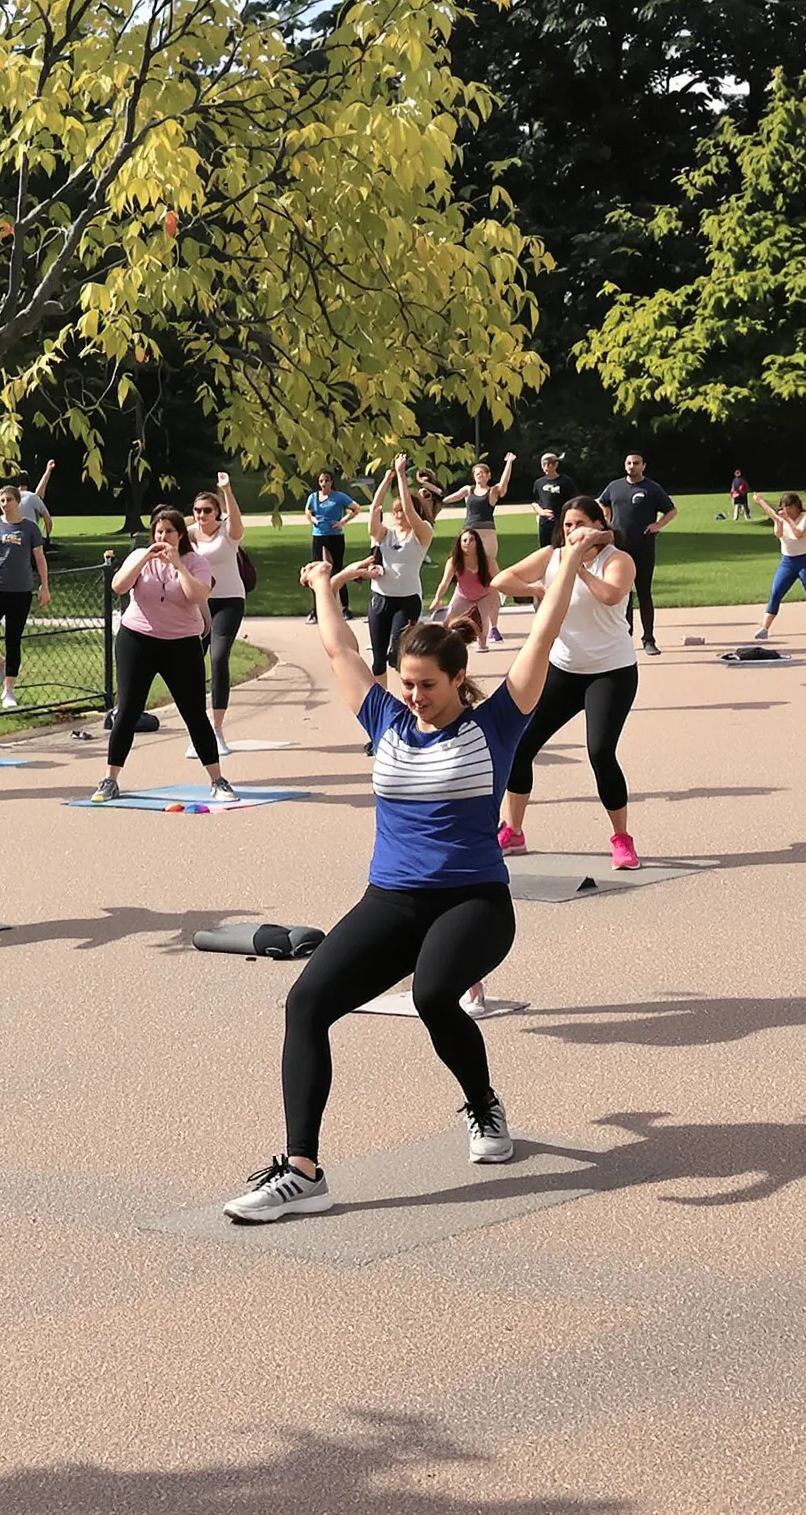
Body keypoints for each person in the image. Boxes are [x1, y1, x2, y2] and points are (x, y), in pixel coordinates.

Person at [221, 522, 608, 1223]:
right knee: (307, 1003)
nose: (415, 696)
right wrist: (322, 589)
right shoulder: (387, 722)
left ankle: (484, 1107)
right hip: (392, 901)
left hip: (475, 902)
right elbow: (338, 648)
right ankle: (303, 1170)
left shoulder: (496, 724)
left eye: (428, 685)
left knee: (435, 995)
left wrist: (572, 560)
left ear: (459, 678)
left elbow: (542, 639)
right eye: (407, 684)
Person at [491, 496, 643, 868]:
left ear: (598, 525)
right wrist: (538, 589)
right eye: (567, 525)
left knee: (600, 752)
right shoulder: (551, 556)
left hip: (611, 671)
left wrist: (578, 568)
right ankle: (514, 831)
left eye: (580, 524)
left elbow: (611, 596)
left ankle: (621, 839)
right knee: (520, 745)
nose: (572, 532)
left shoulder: (617, 560)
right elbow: (501, 580)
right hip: (563, 669)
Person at [94, 506, 237, 803]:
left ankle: (217, 779)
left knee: (194, 713)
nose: (162, 537)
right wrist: (143, 559)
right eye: (158, 532)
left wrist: (178, 566)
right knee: (128, 710)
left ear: (180, 535)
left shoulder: (195, 562)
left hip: (181, 643)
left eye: (169, 532)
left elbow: (196, 596)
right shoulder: (140, 558)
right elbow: (117, 585)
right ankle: (110, 779)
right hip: (137, 639)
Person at [345, 458, 433, 681]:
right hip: (381, 599)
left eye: (400, 510)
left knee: (398, 654)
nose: (397, 514)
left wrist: (402, 477)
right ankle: (383, 706)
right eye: (394, 511)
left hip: (407, 600)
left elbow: (413, 515)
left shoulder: (422, 533)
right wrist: (386, 480)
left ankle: (410, 696)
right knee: (378, 657)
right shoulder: (385, 534)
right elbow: (374, 511)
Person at [187, 471, 249, 757]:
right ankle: (196, 730)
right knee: (190, 664)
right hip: (198, 603)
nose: (202, 515)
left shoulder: (227, 533)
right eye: (197, 510)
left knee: (219, 657)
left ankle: (218, 729)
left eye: (207, 510)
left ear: (217, 512)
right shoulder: (187, 535)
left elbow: (236, 522)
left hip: (228, 602)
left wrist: (227, 489)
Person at [0, 481, 49, 709]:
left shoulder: (29, 528)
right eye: (2, 501)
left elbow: (39, 558)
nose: (5, 505)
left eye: (9, 500)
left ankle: (8, 691)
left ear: (18, 502)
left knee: (13, 639)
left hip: (21, 590)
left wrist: (44, 586)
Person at [599, 453, 675, 656]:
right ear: (625, 466)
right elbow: (601, 502)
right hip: (619, 548)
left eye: (636, 463)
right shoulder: (614, 487)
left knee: (644, 592)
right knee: (622, 593)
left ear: (644, 466)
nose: (632, 466)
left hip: (644, 545)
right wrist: (607, 519)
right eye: (629, 463)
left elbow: (671, 510)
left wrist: (658, 525)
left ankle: (648, 639)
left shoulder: (651, 488)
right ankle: (625, 638)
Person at [748, 492, 806, 641]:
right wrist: (761, 502)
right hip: (787, 562)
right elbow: (778, 531)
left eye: (790, 507)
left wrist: (787, 519)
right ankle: (765, 627)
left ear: (797, 507)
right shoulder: (781, 518)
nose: (787, 510)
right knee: (776, 593)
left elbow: (798, 534)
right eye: (784, 507)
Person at [443, 453, 515, 577]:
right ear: (473, 476)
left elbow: (504, 483)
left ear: (488, 476)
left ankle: (501, 589)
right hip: (469, 531)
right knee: (465, 563)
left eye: (482, 473)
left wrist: (509, 463)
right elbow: (446, 499)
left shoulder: (492, 491)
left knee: (489, 564)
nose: (480, 475)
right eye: (477, 473)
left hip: (487, 533)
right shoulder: (468, 490)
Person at [302, 471, 361, 621]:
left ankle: (345, 608)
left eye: (326, 480)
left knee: (337, 570)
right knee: (316, 572)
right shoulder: (313, 497)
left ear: (331, 482)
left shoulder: (338, 496)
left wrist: (342, 522)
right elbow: (308, 511)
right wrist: (313, 519)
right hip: (319, 536)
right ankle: (316, 610)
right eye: (321, 481)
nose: (323, 484)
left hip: (335, 536)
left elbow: (356, 508)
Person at [429, 528, 499, 652]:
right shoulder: (454, 562)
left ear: (477, 543)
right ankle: (445, 644)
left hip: (484, 595)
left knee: (482, 626)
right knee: (448, 621)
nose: (467, 543)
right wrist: (437, 599)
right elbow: (444, 583)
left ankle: (482, 642)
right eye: (464, 540)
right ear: (459, 544)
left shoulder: (487, 561)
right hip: (462, 595)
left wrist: (495, 600)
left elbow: (498, 580)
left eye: (471, 540)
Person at [531, 453, 578, 551]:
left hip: (561, 522)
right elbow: (534, 502)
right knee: (545, 550)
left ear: (556, 465)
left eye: (549, 464)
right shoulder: (539, 483)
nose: (546, 468)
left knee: (562, 549)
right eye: (543, 465)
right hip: (544, 524)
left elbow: (574, 500)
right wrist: (541, 512)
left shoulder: (565, 481)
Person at [19, 459, 56, 542]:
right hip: (31, 537)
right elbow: (48, 519)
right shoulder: (32, 498)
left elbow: (38, 494)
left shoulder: (7, 498)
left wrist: (48, 471)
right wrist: (47, 537)